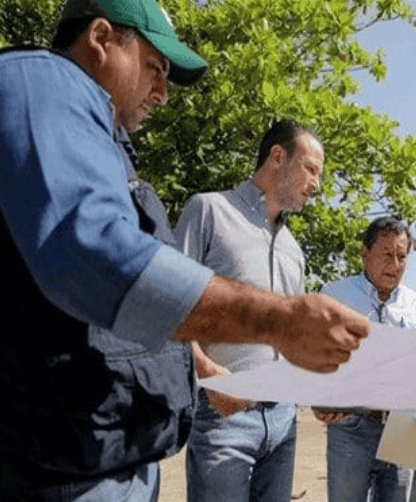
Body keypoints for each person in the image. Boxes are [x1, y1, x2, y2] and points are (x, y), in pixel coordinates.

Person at [0, 1, 368, 499]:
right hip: (51, 467)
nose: (163, 93)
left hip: (103, 452)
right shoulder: (45, 83)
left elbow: (135, 314)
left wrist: (215, 368)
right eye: (155, 68)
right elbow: (95, 256)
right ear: (101, 38)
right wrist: (278, 319)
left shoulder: (101, 142)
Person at [174, 119, 323, 501]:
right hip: (223, 416)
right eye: (311, 169)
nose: (316, 184)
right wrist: (207, 375)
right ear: (277, 157)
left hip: (284, 421)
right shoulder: (209, 210)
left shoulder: (294, 249)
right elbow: (170, 304)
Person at [312, 216, 416, 502]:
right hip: (350, 426)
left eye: (402, 256)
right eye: (386, 255)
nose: (395, 265)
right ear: (364, 253)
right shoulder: (334, 296)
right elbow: (315, 357)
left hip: (402, 428)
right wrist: (318, 397)